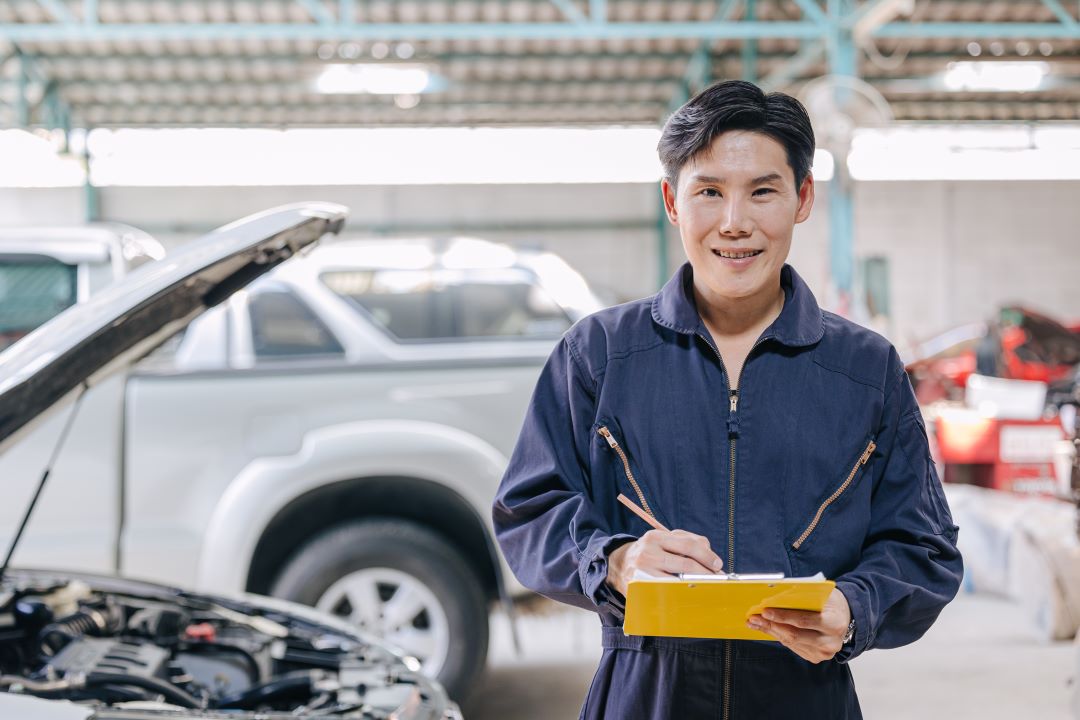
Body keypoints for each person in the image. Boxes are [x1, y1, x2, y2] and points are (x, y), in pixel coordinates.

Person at [492, 80, 962, 719]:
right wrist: (617, 561)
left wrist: (855, 606)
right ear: (671, 201)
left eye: (762, 191)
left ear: (802, 198)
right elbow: (528, 509)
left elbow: (924, 546)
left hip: (805, 699)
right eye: (709, 191)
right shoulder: (599, 356)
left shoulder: (865, 369)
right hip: (645, 695)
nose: (735, 222)